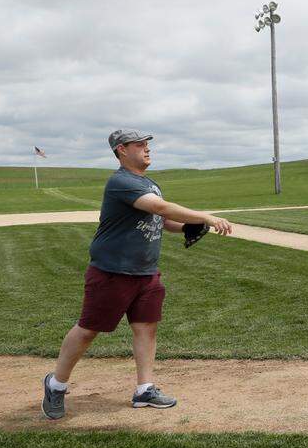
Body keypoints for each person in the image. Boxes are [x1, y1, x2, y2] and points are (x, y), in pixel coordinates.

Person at [41, 129, 233, 420]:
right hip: (111, 271)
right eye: (140, 144)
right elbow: (159, 207)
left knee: (146, 327)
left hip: (146, 272)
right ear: (121, 150)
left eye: (147, 144)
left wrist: (187, 227)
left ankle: (144, 389)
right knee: (89, 329)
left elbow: (162, 219)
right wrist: (204, 216)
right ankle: (56, 385)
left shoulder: (147, 183)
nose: (147, 148)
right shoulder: (121, 182)